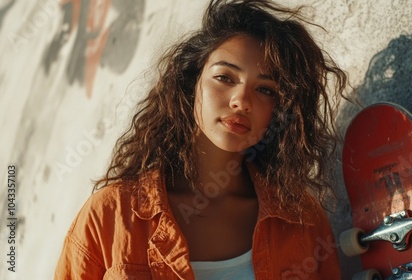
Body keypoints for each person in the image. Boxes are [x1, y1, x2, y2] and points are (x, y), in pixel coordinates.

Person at [55, 0, 348, 279]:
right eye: (225, 77)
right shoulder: (110, 216)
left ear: (280, 111)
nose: (241, 101)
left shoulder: (301, 220)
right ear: (191, 83)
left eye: (266, 90)